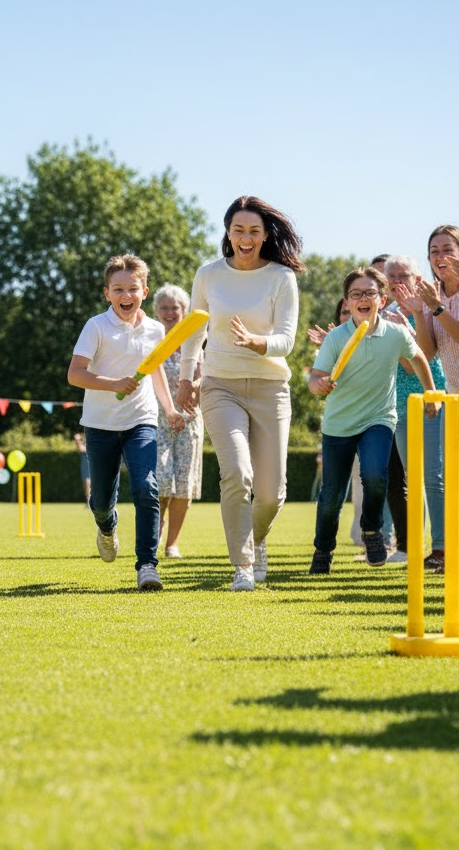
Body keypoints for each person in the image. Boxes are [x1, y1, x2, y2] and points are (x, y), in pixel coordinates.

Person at [176, 196, 303, 591]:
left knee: (271, 491)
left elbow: (286, 340)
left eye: (253, 231)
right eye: (238, 230)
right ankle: (243, 565)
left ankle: (257, 538)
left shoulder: (282, 277)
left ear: (265, 236)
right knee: (236, 473)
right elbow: (194, 331)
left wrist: (257, 342)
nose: (245, 238)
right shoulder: (208, 275)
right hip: (220, 385)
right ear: (227, 233)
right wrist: (185, 378)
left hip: (270, 387)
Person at [308, 267, 439, 574]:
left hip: (378, 419)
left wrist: (431, 393)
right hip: (339, 425)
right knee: (331, 496)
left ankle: (372, 531)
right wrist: (320, 385)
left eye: (369, 293)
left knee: (377, 475)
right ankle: (323, 549)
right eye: (356, 294)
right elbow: (315, 379)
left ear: (382, 299)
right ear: (348, 301)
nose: (363, 298)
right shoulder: (337, 338)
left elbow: (419, 357)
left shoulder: (395, 333)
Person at [68, 254, 184, 592]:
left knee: (147, 487)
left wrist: (170, 408)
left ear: (144, 291)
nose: (125, 295)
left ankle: (147, 565)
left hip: (141, 420)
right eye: (118, 289)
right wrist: (112, 383)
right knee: (101, 502)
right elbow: (75, 374)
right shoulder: (96, 327)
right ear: (107, 293)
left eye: (132, 288)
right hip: (100, 423)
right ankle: (106, 526)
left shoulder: (154, 329)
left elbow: (155, 369)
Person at [385, 254, 446, 571]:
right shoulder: (387, 315)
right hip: (401, 406)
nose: (397, 281)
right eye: (391, 276)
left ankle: (441, 547)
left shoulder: (426, 308)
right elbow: (399, 364)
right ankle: (415, 546)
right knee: (413, 478)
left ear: (417, 278)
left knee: (435, 477)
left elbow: (426, 356)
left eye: (403, 275)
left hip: (431, 400)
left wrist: (414, 321)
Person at [153, 283, 203, 558]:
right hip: (158, 419)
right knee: (160, 481)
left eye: (175, 308)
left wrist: (194, 384)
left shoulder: (194, 339)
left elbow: (204, 373)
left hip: (190, 419)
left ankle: (172, 544)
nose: (170, 312)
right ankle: (155, 537)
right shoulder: (151, 337)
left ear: (184, 312)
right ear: (157, 311)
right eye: (164, 307)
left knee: (183, 485)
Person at [400, 225, 459, 392]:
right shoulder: (431, 294)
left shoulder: (434, 302)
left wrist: (437, 308)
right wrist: (418, 313)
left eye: (448, 250)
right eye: (434, 252)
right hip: (453, 396)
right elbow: (428, 352)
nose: (441, 257)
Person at [73, 433, 91, 507]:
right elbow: (80, 448)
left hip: (90, 469)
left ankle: (90, 502)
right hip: (85, 468)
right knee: (86, 484)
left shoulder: (91, 447)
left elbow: (81, 448)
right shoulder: (85, 447)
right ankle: (88, 501)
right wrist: (77, 441)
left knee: (88, 482)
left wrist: (78, 440)